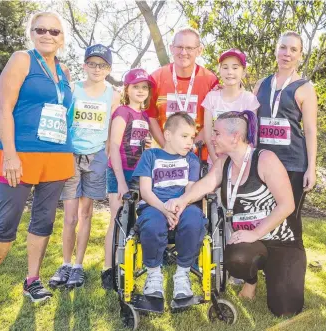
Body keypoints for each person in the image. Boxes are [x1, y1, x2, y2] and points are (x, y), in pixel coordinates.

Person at [165, 111, 306, 317]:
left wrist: (255, 233)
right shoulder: (224, 163)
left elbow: (287, 205)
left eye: (216, 133)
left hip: (280, 240)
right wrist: (182, 200)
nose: (211, 138)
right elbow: (205, 184)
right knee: (237, 257)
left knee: (285, 309)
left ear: (235, 137)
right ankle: (251, 280)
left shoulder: (265, 159)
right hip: (248, 242)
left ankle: (277, 268)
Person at [0, 12, 74, 306]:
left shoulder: (65, 72)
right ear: (32, 33)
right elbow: (4, 109)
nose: (47, 35)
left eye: (54, 31)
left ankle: (32, 281)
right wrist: (10, 155)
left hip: (57, 156)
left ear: (63, 38)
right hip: (21, 154)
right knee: (7, 220)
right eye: (41, 29)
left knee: (44, 220)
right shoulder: (22, 59)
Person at [48, 44, 120, 290]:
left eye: (102, 65)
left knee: (86, 212)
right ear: (84, 65)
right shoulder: (73, 88)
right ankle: (65, 263)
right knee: (69, 216)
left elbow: (112, 131)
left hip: (97, 156)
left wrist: (109, 156)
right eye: (92, 63)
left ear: (109, 69)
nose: (97, 69)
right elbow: (62, 120)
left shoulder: (113, 94)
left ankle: (78, 266)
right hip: (71, 154)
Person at [133, 112, 207, 299]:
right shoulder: (150, 156)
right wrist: (164, 209)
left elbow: (190, 192)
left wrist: (178, 207)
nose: (189, 142)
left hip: (183, 207)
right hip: (154, 206)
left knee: (194, 219)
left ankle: (182, 274)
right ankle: (154, 275)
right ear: (167, 135)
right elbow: (145, 191)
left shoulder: (192, 160)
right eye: (184, 136)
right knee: (151, 224)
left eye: (191, 137)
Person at [254, 31, 317, 239]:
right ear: (276, 50)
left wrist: (312, 168)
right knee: (261, 215)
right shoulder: (261, 84)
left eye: (293, 49)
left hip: (293, 164)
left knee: (290, 221)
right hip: (263, 162)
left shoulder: (305, 88)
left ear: (300, 55)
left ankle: (290, 267)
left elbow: (309, 130)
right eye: (283, 47)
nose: (287, 53)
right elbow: (252, 124)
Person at [101, 68, 154, 289]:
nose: (140, 91)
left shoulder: (145, 116)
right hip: (120, 172)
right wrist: (121, 182)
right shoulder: (122, 112)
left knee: (132, 221)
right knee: (118, 219)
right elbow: (113, 146)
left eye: (144, 87)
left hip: (138, 174)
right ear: (127, 89)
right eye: (136, 87)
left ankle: (127, 265)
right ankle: (108, 269)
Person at [146, 27, 218, 160]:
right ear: (171, 48)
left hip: (198, 157)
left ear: (199, 50)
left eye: (189, 48)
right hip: (162, 157)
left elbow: (214, 120)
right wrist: (167, 148)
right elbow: (150, 117)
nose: (183, 52)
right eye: (179, 47)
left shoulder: (211, 80)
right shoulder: (155, 78)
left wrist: (192, 148)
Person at [202, 48, 259, 165]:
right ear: (220, 70)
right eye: (225, 67)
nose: (230, 72)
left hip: (241, 164)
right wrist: (218, 164)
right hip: (214, 163)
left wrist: (239, 165)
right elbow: (208, 137)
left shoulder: (249, 99)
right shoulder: (211, 97)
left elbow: (252, 136)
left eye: (235, 67)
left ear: (243, 72)